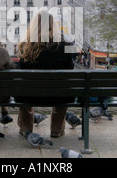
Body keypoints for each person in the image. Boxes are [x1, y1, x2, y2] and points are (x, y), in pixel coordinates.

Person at [16, 10, 75, 138]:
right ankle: (56, 129)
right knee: (63, 91)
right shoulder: (64, 45)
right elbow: (70, 67)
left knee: (24, 91)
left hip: (30, 96)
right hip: (58, 95)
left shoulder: (25, 46)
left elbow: (20, 70)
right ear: (53, 25)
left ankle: (26, 128)